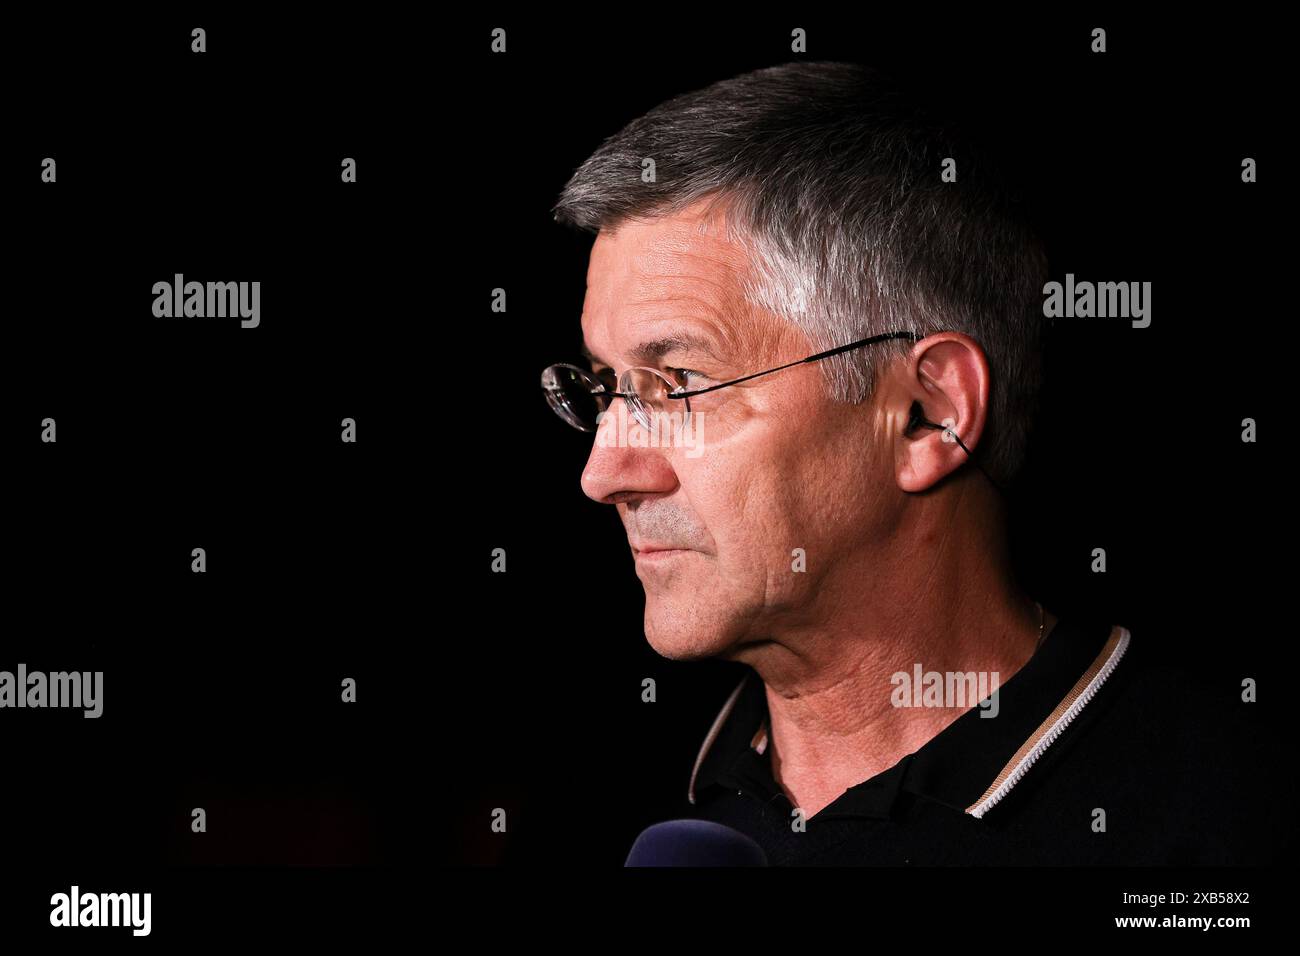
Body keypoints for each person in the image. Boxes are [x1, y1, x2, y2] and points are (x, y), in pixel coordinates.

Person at [539, 62, 1286, 864]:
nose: (602, 473)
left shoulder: (1234, 821)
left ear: (929, 416)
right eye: (606, 387)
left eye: (681, 383)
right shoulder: (596, 805)